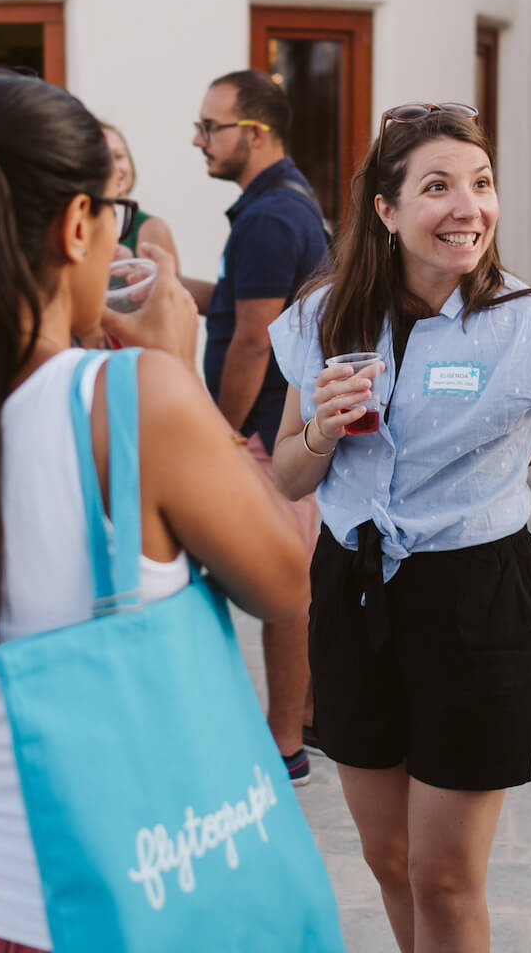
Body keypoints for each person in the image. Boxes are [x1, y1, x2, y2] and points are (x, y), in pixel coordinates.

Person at [0, 72, 309, 952]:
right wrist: (184, 375)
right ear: (79, 223)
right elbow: (285, 580)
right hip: (147, 901)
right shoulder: (134, 399)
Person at [266, 101, 531, 952]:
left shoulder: (530, 324)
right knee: (389, 858)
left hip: (473, 599)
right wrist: (320, 430)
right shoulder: (323, 316)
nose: (468, 208)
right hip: (352, 588)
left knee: (446, 879)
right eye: (438, 186)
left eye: (481, 184)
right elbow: (288, 475)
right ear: (386, 208)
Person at [183, 69, 329, 785]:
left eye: (212, 127)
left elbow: (252, 339)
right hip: (276, 424)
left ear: (258, 133)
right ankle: (297, 722)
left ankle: (283, 744)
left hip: (270, 429)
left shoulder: (271, 217)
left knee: (281, 585)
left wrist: (218, 433)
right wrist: (174, 285)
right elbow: (242, 305)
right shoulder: (281, 204)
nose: (198, 139)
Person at [99, 121, 179, 269]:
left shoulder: (151, 228)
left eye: (118, 156)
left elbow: (169, 289)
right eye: (102, 159)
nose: (114, 168)